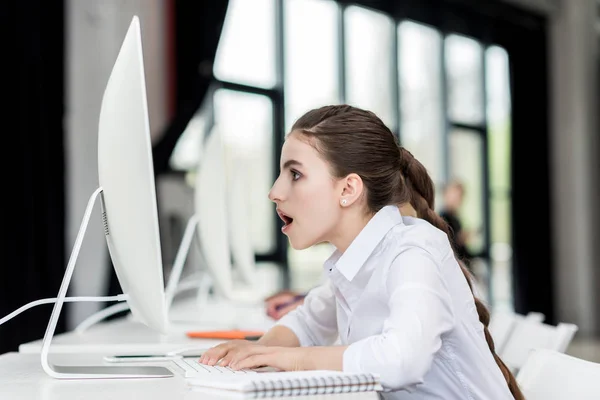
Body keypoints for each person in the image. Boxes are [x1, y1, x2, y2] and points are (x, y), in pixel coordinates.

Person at [200, 105, 523, 399]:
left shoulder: (411, 251)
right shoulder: (355, 257)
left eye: (295, 174)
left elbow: (401, 361)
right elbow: (309, 321)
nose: (275, 192)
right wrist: (255, 351)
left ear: (348, 189)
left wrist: (285, 359)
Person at [439, 180, 472, 267]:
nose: (458, 199)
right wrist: (460, 239)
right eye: (455, 195)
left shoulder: (456, 219)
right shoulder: (441, 219)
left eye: (460, 196)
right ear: (446, 195)